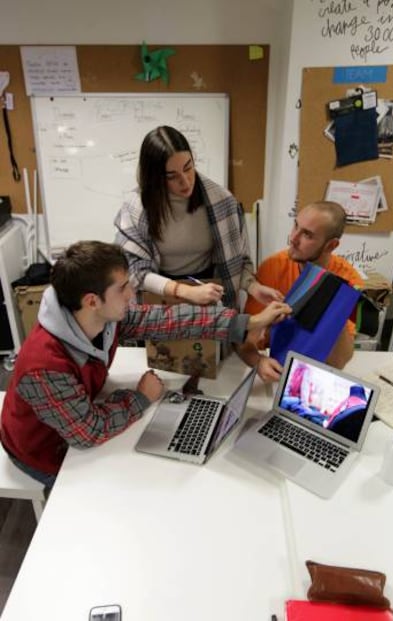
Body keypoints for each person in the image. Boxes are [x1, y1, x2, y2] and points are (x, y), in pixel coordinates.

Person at [0, 241, 290, 489]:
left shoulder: (98, 316)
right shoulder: (44, 366)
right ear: (92, 301)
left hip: (75, 418)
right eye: (123, 287)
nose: (131, 294)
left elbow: (170, 321)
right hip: (45, 451)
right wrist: (141, 397)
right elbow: (89, 432)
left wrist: (248, 322)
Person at [114, 125, 280, 309]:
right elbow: (133, 270)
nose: (185, 181)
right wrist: (184, 291)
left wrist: (253, 287)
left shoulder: (222, 201)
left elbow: (236, 261)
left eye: (188, 167)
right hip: (158, 294)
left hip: (208, 291)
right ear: (155, 177)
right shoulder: (135, 208)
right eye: (172, 176)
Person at [238, 201, 364, 381]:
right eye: (296, 225)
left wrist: (334, 301)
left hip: (316, 373)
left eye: (307, 235)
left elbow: (338, 362)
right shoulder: (273, 267)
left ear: (331, 246)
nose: (293, 238)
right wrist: (258, 361)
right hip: (275, 369)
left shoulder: (348, 281)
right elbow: (244, 339)